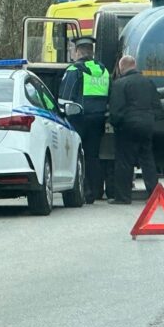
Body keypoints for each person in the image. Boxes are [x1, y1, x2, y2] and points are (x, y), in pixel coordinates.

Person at [58, 36, 110, 204]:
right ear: (91, 51)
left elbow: (65, 96)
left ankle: (83, 191)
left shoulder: (75, 70)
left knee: (77, 155)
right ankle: (95, 192)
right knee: (93, 156)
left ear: (78, 51)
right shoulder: (104, 70)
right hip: (99, 118)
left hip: (78, 119)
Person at [108, 55, 161, 204]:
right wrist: (150, 119)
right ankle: (154, 195)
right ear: (135, 66)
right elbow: (158, 106)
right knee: (148, 160)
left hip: (127, 127)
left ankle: (123, 197)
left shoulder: (119, 84)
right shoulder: (148, 82)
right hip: (147, 126)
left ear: (121, 67)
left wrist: (116, 124)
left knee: (124, 161)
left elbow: (116, 111)